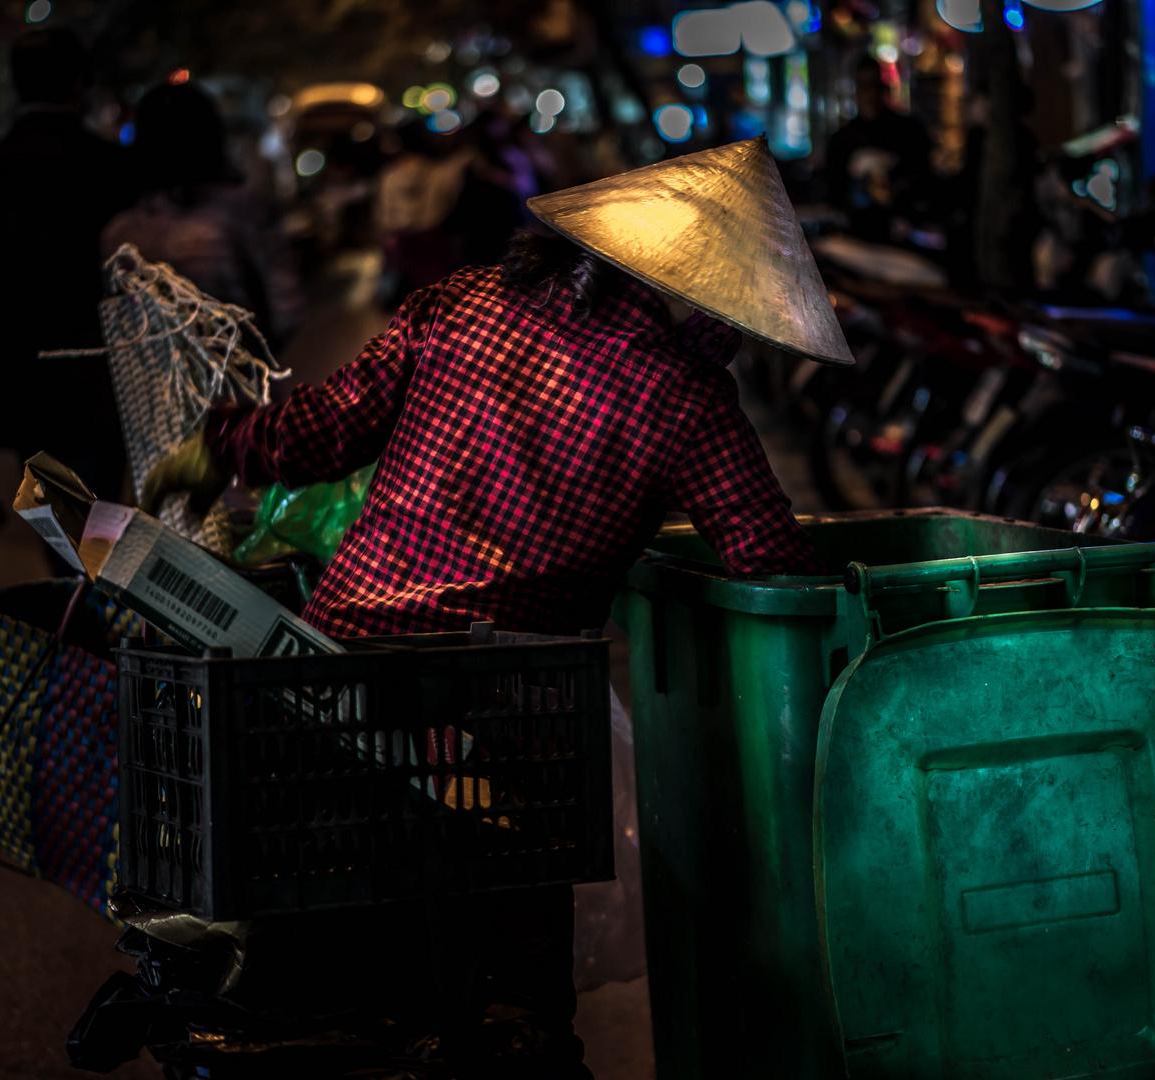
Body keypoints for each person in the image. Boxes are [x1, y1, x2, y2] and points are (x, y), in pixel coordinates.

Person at [140, 135, 852, 1075]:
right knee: (519, 955)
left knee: (343, 892)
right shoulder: (688, 398)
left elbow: (321, 432)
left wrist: (222, 444)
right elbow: (767, 558)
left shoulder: (460, 306)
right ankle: (520, 1028)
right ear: (689, 290)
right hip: (514, 713)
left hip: (347, 670)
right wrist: (860, 598)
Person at [0, 28, 138, 508]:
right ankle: (93, 582)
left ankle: (83, 579)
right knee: (98, 517)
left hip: (19, 380)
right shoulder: (116, 167)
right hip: (105, 376)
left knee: (63, 520)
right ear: (79, 86)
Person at [101, 83, 305, 353]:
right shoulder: (247, 210)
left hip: (157, 389)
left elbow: (121, 328)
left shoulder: (119, 232)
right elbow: (287, 311)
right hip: (239, 382)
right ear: (212, 135)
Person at [825, 56, 935, 244]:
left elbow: (926, 183)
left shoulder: (910, 132)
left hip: (904, 240)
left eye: (875, 85)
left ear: (884, 88)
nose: (870, 94)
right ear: (856, 91)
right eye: (864, 86)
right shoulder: (841, 141)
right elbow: (834, 193)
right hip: (859, 239)